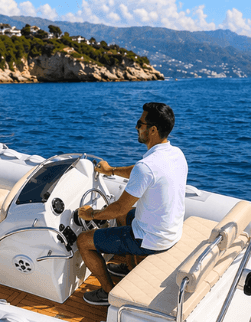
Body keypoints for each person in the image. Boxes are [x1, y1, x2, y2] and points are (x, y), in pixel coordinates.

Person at [77, 102, 188, 305]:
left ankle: (107, 293)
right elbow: (140, 172)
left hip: (151, 239)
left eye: (140, 123)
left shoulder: (146, 167)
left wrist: (91, 214)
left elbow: (118, 208)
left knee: (84, 240)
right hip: (170, 231)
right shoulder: (176, 154)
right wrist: (111, 170)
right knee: (123, 216)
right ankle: (129, 267)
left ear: (152, 130)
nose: (136, 127)